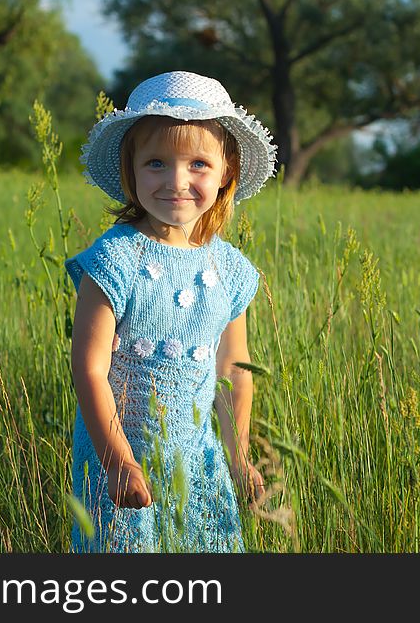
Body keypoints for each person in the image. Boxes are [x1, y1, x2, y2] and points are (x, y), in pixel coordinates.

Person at [65, 71, 276, 553]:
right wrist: (117, 460)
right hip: (121, 461)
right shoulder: (115, 260)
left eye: (198, 163)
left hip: (198, 461)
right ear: (131, 170)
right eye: (156, 162)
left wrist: (238, 456)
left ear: (227, 172)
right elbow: (90, 368)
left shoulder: (228, 269)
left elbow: (233, 371)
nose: (176, 181)